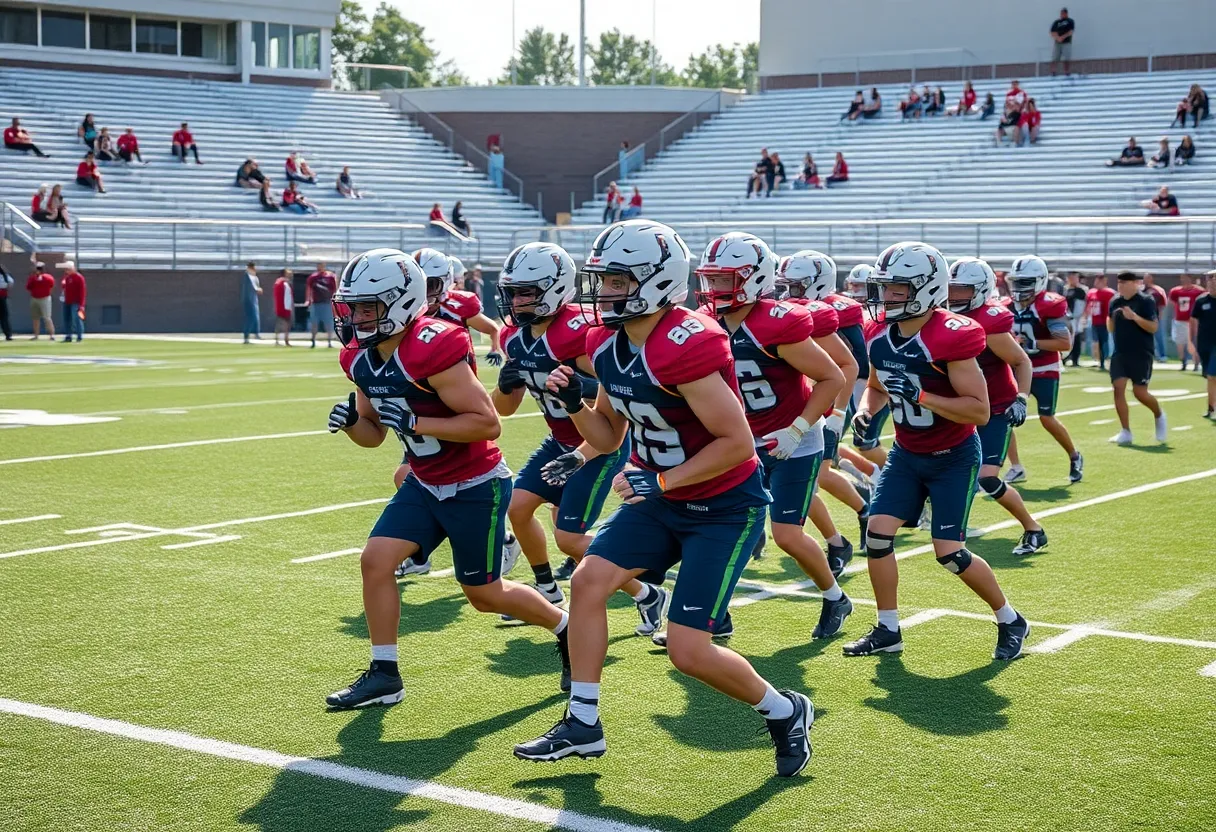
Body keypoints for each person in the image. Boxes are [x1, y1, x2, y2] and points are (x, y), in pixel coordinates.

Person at [513, 219, 814, 779]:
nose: (604, 292)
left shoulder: (686, 342)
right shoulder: (603, 341)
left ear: (656, 280)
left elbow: (737, 442)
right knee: (587, 581)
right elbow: (607, 436)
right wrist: (577, 404)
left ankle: (785, 709)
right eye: (603, 279)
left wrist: (663, 481)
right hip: (660, 498)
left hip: (724, 506)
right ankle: (583, 723)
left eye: (619, 280)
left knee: (688, 651)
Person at [325, 248, 572, 711]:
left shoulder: (434, 344)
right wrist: (351, 423)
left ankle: (565, 627)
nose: (356, 318)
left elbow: (486, 424)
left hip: (474, 483)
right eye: (352, 306)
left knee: (484, 595)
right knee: (375, 560)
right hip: (423, 481)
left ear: (400, 302)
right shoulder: (358, 357)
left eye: (366, 307)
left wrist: (418, 422)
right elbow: (373, 436)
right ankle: (384, 673)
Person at [844, 241, 1029, 662]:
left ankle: (1010, 618)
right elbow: (874, 387)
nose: (885, 298)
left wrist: (923, 395)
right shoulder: (879, 335)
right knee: (877, 535)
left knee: (949, 553)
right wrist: (866, 412)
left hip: (953, 456)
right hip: (906, 454)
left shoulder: (953, 335)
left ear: (926, 289)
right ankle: (888, 628)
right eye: (884, 288)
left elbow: (980, 411)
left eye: (897, 290)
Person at [492, 241, 667, 633]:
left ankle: (646, 594)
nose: (517, 301)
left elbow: (614, 387)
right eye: (513, 292)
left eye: (527, 292)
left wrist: (578, 389)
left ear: (554, 289)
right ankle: (547, 589)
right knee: (517, 507)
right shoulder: (514, 338)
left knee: (570, 538)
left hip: (596, 445)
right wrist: (505, 387)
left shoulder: (578, 332)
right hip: (559, 439)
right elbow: (504, 409)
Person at [697, 234, 852, 640]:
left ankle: (835, 596)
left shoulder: (776, 321)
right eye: (711, 280)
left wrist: (797, 428)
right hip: (742, 442)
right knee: (722, 529)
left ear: (752, 279)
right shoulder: (705, 321)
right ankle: (716, 615)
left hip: (794, 439)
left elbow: (832, 376)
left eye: (724, 280)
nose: (714, 290)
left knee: (786, 535)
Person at [389, 249, 505, 547]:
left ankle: (496, 537)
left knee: (467, 472)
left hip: (457, 395)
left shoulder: (459, 304)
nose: (426, 292)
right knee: (407, 474)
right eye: (421, 283)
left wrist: (495, 348)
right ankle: (419, 549)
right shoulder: (403, 314)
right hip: (425, 396)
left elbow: (491, 328)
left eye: (433, 284)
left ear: (446, 282)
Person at [773, 252, 871, 572]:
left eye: (796, 286)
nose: (787, 294)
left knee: (818, 479)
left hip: (827, 402)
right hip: (799, 402)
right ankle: (838, 539)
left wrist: (838, 414)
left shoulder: (832, 311)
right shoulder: (788, 311)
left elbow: (853, 363)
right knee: (810, 482)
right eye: (784, 286)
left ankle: (857, 517)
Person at [948, 258, 1046, 555]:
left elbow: (1021, 360)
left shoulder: (989, 320)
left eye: (962, 291)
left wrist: (1021, 398)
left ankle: (1033, 529)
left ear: (980, 290)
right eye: (951, 289)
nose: (954, 297)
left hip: (995, 407)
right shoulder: (943, 316)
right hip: (962, 406)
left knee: (987, 477)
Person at [1001, 256, 1084, 486]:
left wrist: (1032, 343)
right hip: (1017, 369)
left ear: (1039, 281)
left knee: (1047, 418)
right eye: (1016, 281)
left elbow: (1064, 343)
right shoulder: (1005, 306)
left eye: (1025, 282)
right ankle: (1015, 466)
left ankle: (1075, 456)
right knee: (1004, 417)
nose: (1019, 288)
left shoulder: (1049, 304)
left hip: (1045, 368)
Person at [1107, 272, 1166, 444]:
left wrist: (1134, 317)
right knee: (1118, 388)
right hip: (1120, 352)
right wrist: (1111, 318)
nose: (1120, 286)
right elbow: (1110, 326)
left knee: (1140, 393)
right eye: (1119, 283)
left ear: (1135, 283)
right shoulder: (1115, 301)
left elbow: (1153, 327)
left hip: (1141, 353)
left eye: (1124, 283)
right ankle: (1125, 431)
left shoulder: (1146, 301)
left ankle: (1159, 414)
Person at [1189, 271, 1216, 417]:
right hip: (1204, 343)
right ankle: (1211, 408)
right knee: (1209, 376)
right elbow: (1193, 322)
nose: (1212, 282)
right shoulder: (1201, 301)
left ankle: (1211, 409)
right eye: (1210, 280)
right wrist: (1191, 342)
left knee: (1212, 375)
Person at [1168, 274, 1205, 370]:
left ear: (1191, 279)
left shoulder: (1199, 291)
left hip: (1193, 320)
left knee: (1195, 342)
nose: (1184, 280)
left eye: (1186, 278)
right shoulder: (1175, 291)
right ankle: (1183, 361)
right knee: (1180, 342)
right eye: (1182, 278)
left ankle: (1196, 363)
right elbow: (1171, 304)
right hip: (1180, 319)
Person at [1085, 273, 1115, 370]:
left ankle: (1104, 361)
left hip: (1104, 321)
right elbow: (1088, 306)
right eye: (1096, 280)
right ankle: (1098, 360)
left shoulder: (1109, 293)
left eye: (1100, 281)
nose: (1097, 283)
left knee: (1104, 342)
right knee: (1095, 342)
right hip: (1094, 321)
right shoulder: (1091, 292)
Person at [305, 262, 338, 348]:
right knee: (314, 323)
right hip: (316, 303)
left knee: (328, 323)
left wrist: (335, 300)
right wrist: (308, 300)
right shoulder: (313, 277)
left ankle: (329, 341)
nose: (320, 267)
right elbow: (309, 289)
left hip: (327, 303)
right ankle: (313, 341)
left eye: (321, 265)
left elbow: (335, 289)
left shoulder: (330, 276)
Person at [58, 260, 86, 343]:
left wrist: (81, 305)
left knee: (77, 319)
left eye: (68, 269)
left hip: (76, 302)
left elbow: (82, 292)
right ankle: (68, 336)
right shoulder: (67, 278)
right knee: (67, 319)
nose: (66, 271)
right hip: (67, 301)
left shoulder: (79, 278)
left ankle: (79, 336)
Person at [1064, 272, 1089, 366]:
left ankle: (1075, 359)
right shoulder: (1065, 289)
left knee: (1076, 338)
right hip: (1066, 317)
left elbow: (1082, 304)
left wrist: (1081, 316)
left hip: (1076, 318)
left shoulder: (1081, 290)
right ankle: (1065, 357)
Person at [1142, 273, 1168, 360]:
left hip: (1155, 317)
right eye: (1144, 278)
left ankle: (1162, 355)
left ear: (1151, 279)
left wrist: (1159, 315)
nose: (1145, 280)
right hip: (1143, 317)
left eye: (1147, 278)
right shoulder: (1141, 290)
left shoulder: (1157, 290)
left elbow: (1162, 304)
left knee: (1159, 336)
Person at [26, 262, 55, 340]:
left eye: (39, 269)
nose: (37, 270)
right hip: (34, 298)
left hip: (45, 298)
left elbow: (51, 284)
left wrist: (42, 278)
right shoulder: (32, 277)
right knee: (35, 318)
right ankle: (36, 335)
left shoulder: (48, 277)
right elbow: (28, 287)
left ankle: (52, 335)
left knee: (47, 317)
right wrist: (35, 279)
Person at [240, 262, 263, 343]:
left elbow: (257, 287)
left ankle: (256, 333)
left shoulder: (255, 277)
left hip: (254, 300)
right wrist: (258, 289)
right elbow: (254, 288)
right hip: (248, 300)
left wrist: (258, 289)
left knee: (256, 317)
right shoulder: (247, 277)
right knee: (251, 317)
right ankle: (246, 336)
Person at [1050, 8, 1075, 75]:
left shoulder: (1070, 21)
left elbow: (1071, 31)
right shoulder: (1057, 22)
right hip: (1057, 43)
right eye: (1061, 13)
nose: (1062, 15)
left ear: (1066, 14)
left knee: (1067, 58)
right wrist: (1058, 38)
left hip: (1066, 42)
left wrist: (1063, 37)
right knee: (1055, 57)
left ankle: (1067, 71)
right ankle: (1053, 71)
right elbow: (1052, 32)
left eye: (1063, 13)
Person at [273, 269, 295, 346]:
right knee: (280, 323)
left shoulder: (287, 283)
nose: (290, 275)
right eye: (289, 273)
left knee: (286, 324)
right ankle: (277, 340)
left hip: (287, 306)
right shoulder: (281, 282)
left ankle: (286, 339)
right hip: (282, 306)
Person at [0, 264, 11, 341]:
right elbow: (11, 283)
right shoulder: (4, 275)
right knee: (4, 317)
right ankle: (7, 334)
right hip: (2, 297)